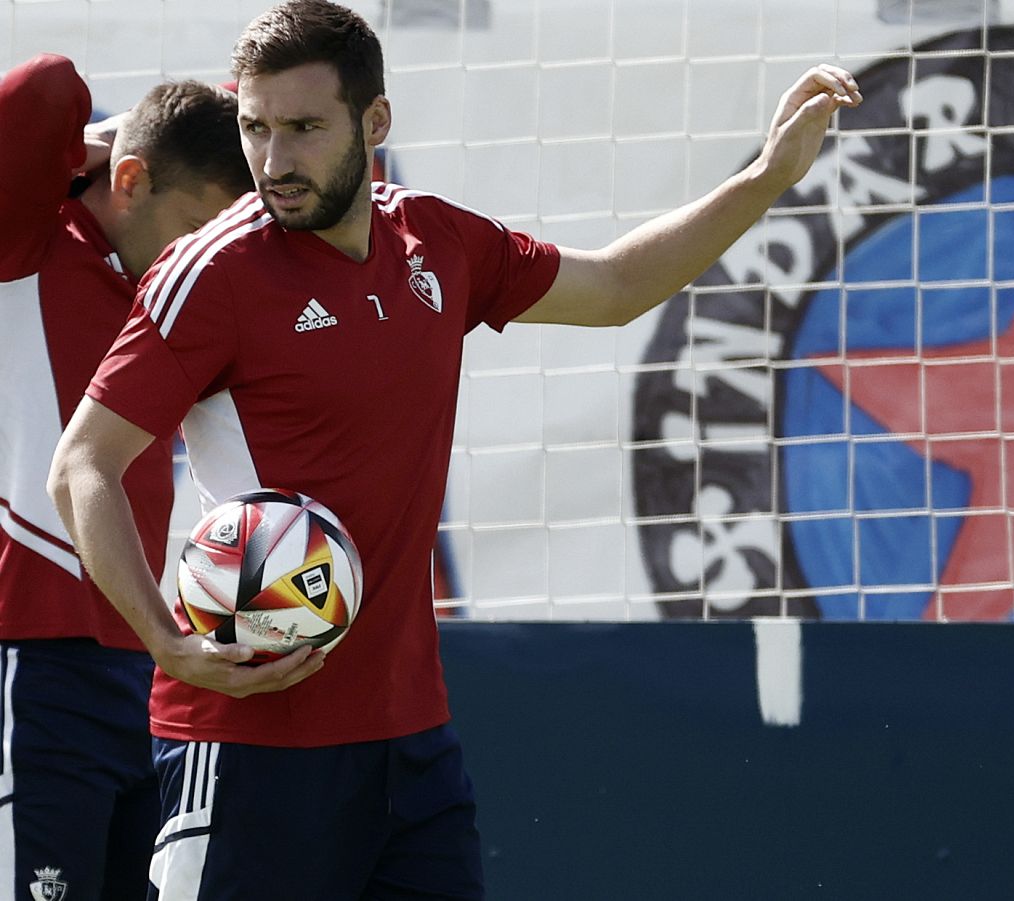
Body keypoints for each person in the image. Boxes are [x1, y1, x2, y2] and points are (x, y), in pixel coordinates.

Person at [46, 0, 861, 896]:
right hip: (246, 748)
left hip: (412, 747)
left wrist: (767, 178)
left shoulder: (437, 241)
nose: (274, 161)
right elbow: (83, 465)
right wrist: (165, 643)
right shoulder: (210, 274)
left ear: (376, 121)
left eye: (305, 128)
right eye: (255, 128)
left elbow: (620, 284)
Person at [0, 56, 251, 901]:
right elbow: (38, 89)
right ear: (132, 179)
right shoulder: (25, 238)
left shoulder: (173, 298)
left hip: (147, 663)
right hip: (29, 658)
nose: (206, 256)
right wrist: (110, 142)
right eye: (194, 225)